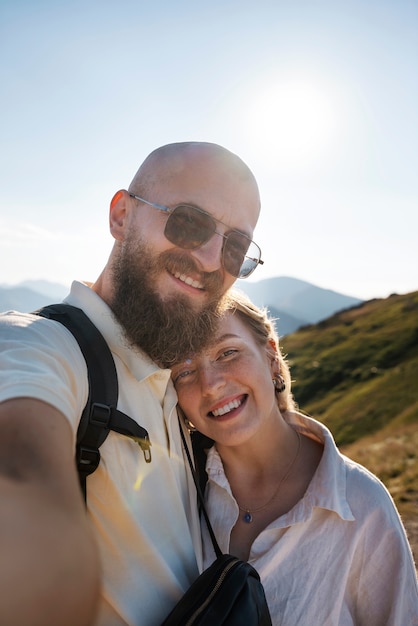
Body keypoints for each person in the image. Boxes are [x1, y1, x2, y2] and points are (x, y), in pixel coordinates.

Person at [0, 142, 263, 626]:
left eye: (235, 247)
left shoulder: (177, 386)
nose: (210, 260)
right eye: (189, 222)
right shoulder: (36, 346)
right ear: (121, 216)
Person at [171, 289, 418, 625]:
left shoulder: (361, 505)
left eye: (228, 352)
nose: (210, 384)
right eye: (184, 372)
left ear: (271, 356)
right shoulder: (174, 494)